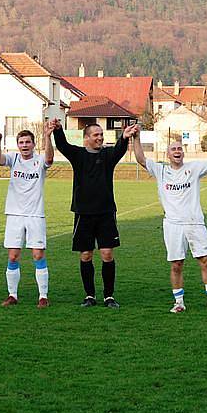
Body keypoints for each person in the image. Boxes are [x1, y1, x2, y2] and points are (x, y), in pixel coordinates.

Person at [132, 130, 207, 314]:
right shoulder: (161, 170)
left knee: (205, 261)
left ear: (183, 152)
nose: (177, 151)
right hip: (172, 225)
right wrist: (136, 138)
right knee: (176, 264)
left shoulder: (193, 168)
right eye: (173, 149)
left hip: (194, 223)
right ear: (168, 154)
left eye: (179, 149)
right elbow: (141, 159)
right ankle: (179, 302)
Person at [52, 121, 139, 308]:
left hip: (106, 213)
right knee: (86, 255)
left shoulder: (108, 155)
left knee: (107, 254)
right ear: (86, 139)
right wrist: (58, 130)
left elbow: (119, 149)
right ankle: (89, 295)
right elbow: (62, 146)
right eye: (95, 135)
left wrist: (124, 137)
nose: (99, 138)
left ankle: (109, 296)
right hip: (83, 214)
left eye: (101, 135)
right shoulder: (78, 155)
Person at [0, 124, 55, 308]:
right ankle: (12, 295)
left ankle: (43, 296)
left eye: (28, 142)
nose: (24, 145)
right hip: (14, 214)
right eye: (21, 142)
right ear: (17, 145)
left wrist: (48, 137)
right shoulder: (14, 158)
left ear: (34, 144)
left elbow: (50, 158)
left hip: (35, 215)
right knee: (13, 256)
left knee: (38, 255)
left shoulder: (40, 160)